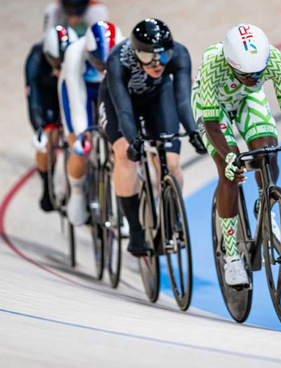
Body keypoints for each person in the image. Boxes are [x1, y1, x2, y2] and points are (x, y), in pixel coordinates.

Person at [192, 23, 281, 286]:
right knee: (230, 172)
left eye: (258, 73)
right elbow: (211, 122)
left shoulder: (274, 59)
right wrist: (230, 156)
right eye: (247, 73)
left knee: (268, 151)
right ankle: (231, 256)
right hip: (212, 108)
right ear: (231, 63)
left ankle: (264, 205)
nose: (254, 78)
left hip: (247, 100)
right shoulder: (212, 62)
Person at [98, 18, 206, 257]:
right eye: (148, 58)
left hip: (157, 98)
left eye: (163, 56)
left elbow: (181, 101)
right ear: (136, 54)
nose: (157, 65)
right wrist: (133, 140)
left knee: (172, 163)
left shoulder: (179, 54)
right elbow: (124, 110)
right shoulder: (118, 60)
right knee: (125, 156)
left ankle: (172, 213)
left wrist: (193, 132)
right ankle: (136, 230)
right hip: (121, 103)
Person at [59, 21, 124, 225]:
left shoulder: (123, 47)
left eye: (107, 64)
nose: (103, 68)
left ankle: (123, 201)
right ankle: (77, 191)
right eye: (98, 63)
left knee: (124, 145)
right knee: (80, 146)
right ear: (88, 52)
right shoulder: (74, 53)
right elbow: (76, 98)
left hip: (111, 88)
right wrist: (81, 132)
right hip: (82, 90)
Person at [25, 25, 78, 212]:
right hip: (48, 97)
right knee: (48, 139)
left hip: (71, 89)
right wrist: (40, 128)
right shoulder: (36, 60)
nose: (59, 66)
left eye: (64, 61)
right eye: (55, 61)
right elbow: (34, 100)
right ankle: (47, 189)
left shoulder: (80, 53)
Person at [44, 0, 109, 36]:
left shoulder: (98, 10)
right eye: (69, 12)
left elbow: (102, 39)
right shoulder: (53, 9)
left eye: (79, 12)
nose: (74, 19)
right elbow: (48, 38)